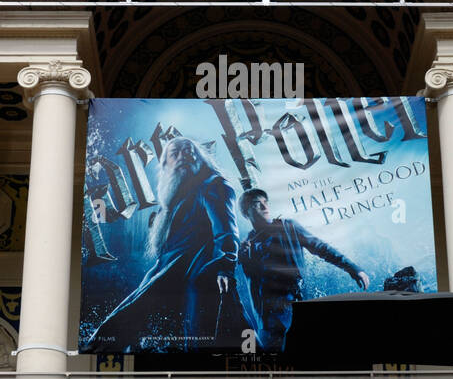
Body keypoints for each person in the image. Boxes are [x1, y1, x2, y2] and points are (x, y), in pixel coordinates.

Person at [85, 137, 239, 352]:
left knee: (197, 337)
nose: (183, 156)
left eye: (188, 151)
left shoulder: (213, 185)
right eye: (174, 153)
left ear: (199, 157)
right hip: (167, 270)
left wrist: (225, 266)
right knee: (118, 328)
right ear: (166, 164)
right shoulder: (173, 197)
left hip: (196, 270)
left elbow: (226, 232)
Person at [236, 190, 369, 350]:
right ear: (246, 212)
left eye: (266, 201)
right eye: (258, 203)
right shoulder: (246, 246)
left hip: (295, 308)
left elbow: (320, 247)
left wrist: (353, 268)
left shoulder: (288, 226)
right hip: (269, 321)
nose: (265, 206)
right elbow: (247, 282)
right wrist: (243, 257)